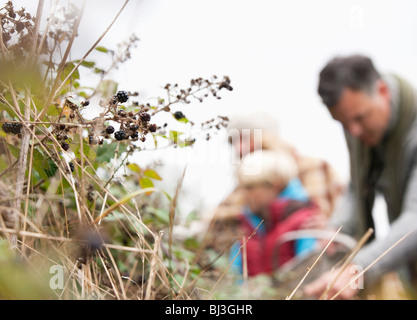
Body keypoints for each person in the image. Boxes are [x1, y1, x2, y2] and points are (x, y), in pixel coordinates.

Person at [304, 54, 417, 299]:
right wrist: (336, 227)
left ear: (383, 90)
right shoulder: (359, 129)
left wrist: (359, 268)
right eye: (343, 123)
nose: (353, 131)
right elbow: (357, 188)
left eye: (359, 118)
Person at [230, 150, 319, 276]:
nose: (244, 194)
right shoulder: (247, 225)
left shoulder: (305, 222)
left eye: (250, 187)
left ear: (275, 185)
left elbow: (307, 274)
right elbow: (234, 276)